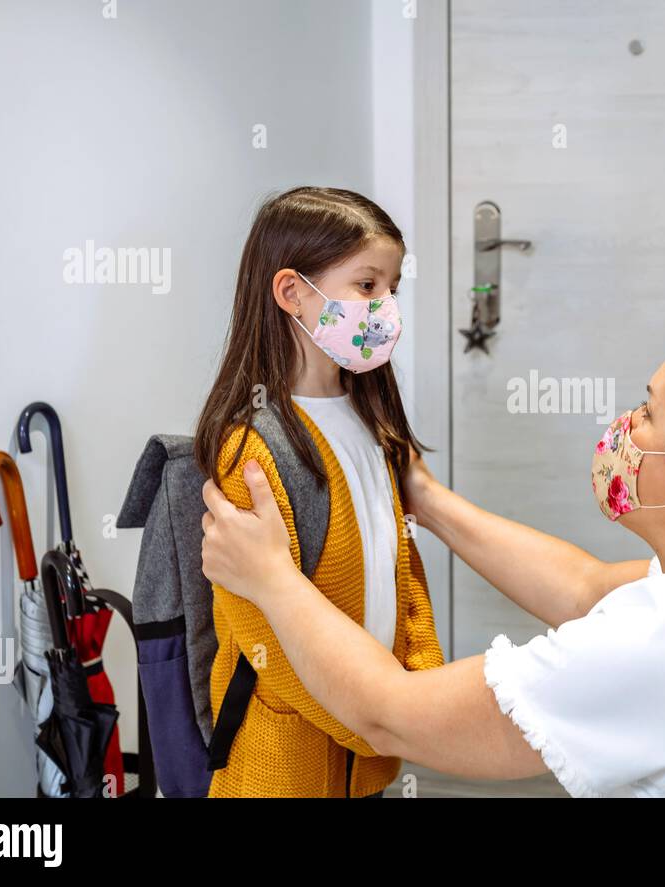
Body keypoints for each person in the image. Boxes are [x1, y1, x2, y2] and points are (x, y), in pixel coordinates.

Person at [200, 330, 665, 797]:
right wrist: (424, 497)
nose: (624, 428)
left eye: (647, 413)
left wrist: (270, 577)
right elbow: (585, 587)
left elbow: (388, 716)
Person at [193, 186, 444, 797]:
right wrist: (383, 721)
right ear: (291, 292)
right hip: (284, 767)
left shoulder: (370, 420)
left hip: (371, 750)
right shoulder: (252, 450)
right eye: (367, 286)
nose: (386, 306)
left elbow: (401, 567)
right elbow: (265, 639)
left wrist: (419, 691)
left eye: (393, 288)